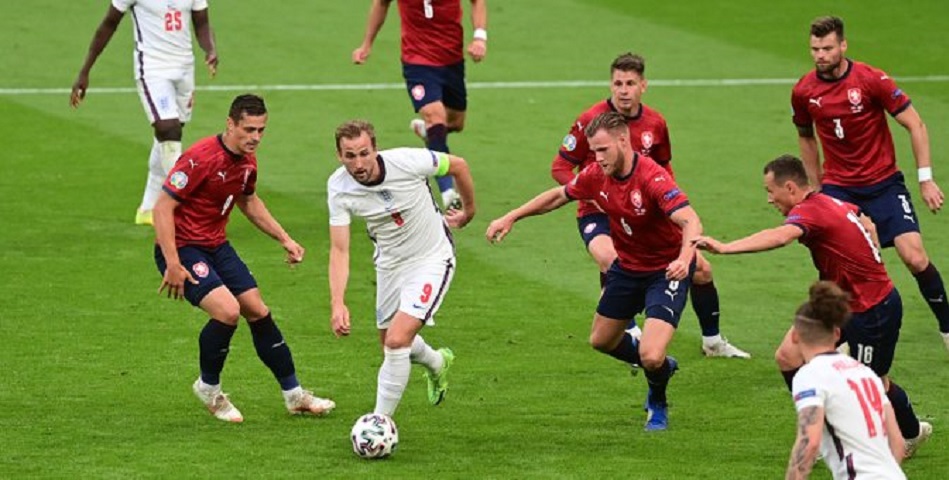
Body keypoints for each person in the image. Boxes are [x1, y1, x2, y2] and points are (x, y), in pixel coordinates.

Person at [694, 154, 931, 458]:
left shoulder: (811, 211)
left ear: (790, 188)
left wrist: (725, 247)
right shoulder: (830, 201)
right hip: (834, 303)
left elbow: (780, 237)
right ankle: (821, 432)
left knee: (874, 384)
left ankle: (910, 433)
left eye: (770, 191)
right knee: (788, 356)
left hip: (872, 309)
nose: (769, 199)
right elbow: (865, 220)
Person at [487, 112, 702, 431]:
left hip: (666, 270)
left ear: (623, 141)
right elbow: (558, 196)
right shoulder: (596, 174)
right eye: (594, 151)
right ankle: (661, 368)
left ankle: (657, 401)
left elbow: (690, 220)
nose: (598, 158)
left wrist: (684, 259)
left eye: (603, 150)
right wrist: (511, 217)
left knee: (651, 354)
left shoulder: (652, 178)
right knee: (601, 340)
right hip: (628, 267)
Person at [552, 53, 749, 359]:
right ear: (610, 85)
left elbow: (664, 167)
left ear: (643, 85)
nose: (623, 90)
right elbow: (560, 167)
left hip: (644, 215)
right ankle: (629, 329)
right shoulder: (591, 119)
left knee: (702, 270)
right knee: (610, 258)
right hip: (598, 213)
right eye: (618, 83)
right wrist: (597, 196)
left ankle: (712, 342)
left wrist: (670, 205)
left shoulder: (655, 123)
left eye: (630, 83)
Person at [153, 94, 335, 423]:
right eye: (249, 129)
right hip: (183, 247)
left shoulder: (248, 163)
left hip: (216, 246)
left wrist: (285, 238)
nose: (256, 137)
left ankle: (294, 395)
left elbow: (248, 201)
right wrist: (173, 263)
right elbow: (163, 207)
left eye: (261, 130)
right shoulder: (199, 158)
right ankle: (208, 388)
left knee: (258, 311)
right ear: (230, 124)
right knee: (227, 311)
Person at [791, 15, 949, 351]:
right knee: (835, 271)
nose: (820, 55)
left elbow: (916, 124)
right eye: (815, 49)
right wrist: (815, 189)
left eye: (827, 48)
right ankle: (838, 339)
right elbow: (806, 137)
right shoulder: (804, 91)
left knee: (915, 257)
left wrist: (926, 179)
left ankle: (948, 328)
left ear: (843, 45)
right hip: (839, 189)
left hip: (884, 185)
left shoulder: (871, 79)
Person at [327, 120, 476, 419]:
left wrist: (469, 211)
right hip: (389, 264)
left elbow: (458, 165)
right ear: (339, 156)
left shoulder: (408, 161)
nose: (359, 164)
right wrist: (337, 302)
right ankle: (437, 362)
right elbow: (340, 249)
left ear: (375, 149)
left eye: (364, 153)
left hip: (431, 258)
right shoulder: (339, 188)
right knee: (389, 344)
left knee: (397, 340)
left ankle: (379, 422)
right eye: (350, 156)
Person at [71, 0, 219, 226]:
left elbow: (202, 23)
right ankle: (183, 204)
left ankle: (148, 208)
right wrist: (85, 71)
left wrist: (210, 49)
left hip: (185, 69)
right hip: (152, 68)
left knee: (169, 136)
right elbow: (109, 24)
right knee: (168, 129)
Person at [351, 0, 487, 210]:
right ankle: (448, 191)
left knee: (455, 123)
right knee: (435, 116)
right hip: (417, 61)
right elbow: (381, 4)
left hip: (452, 59)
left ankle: (428, 133)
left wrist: (479, 36)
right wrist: (366, 44)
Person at [784, 281, 905, 480]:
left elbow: (809, 443)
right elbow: (898, 443)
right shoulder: (866, 374)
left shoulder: (810, 375)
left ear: (795, 336)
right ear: (837, 333)